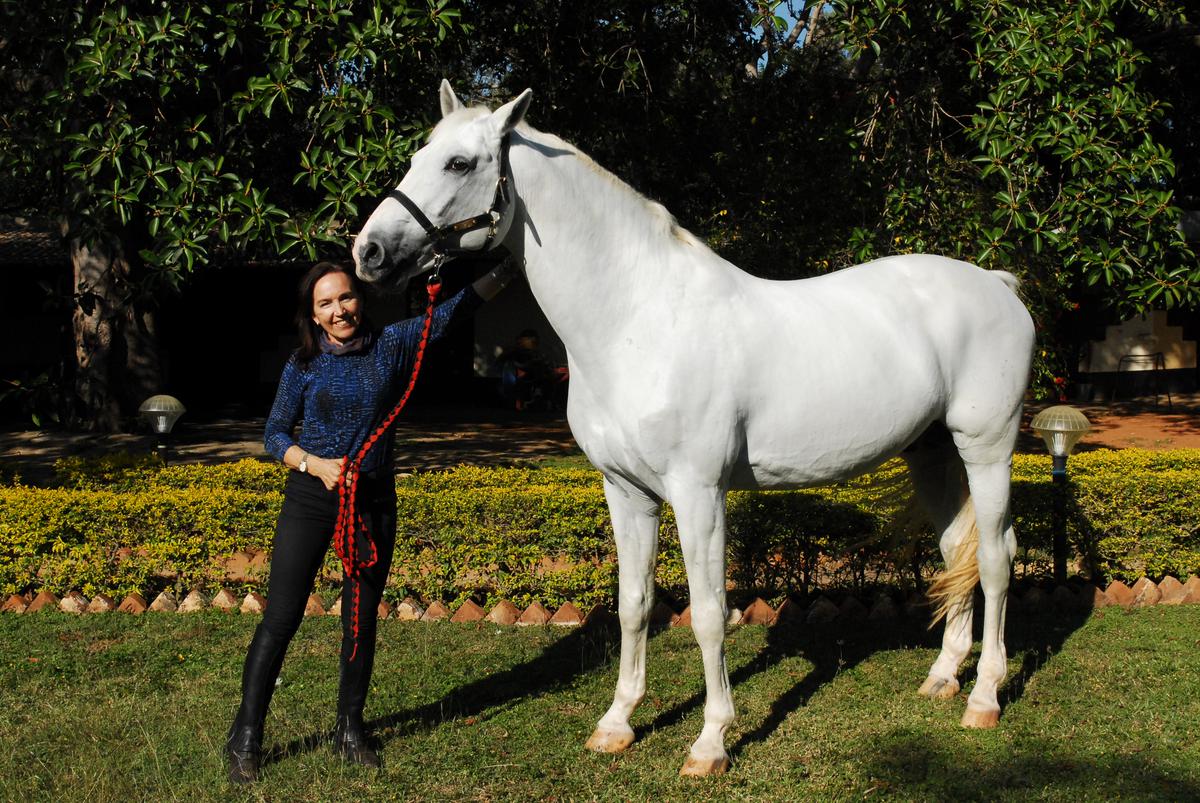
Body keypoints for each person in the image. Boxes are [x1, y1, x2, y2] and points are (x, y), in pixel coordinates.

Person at [226, 258, 514, 784]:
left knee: (360, 620)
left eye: (346, 298)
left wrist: (507, 268)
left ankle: (350, 728)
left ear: (360, 299)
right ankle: (245, 735)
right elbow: (273, 436)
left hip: (374, 503)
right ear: (313, 316)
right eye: (326, 304)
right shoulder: (303, 366)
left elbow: (454, 310)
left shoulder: (394, 345)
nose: (340, 310)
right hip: (311, 501)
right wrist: (314, 463)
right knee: (281, 619)